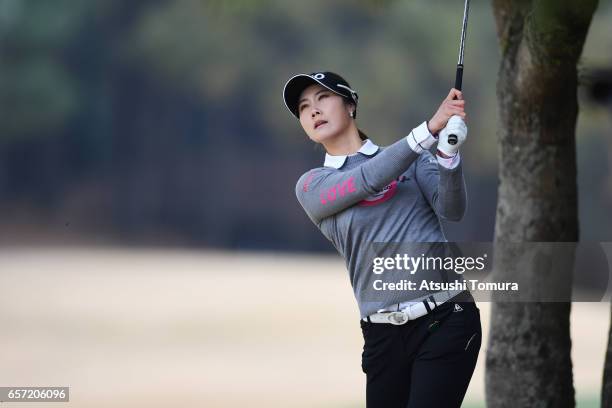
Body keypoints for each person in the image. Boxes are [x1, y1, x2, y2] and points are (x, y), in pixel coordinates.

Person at [283, 71, 481, 408]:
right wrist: (428, 130)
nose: (313, 110)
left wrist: (448, 156)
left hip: (446, 317)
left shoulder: (415, 159)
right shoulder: (313, 185)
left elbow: (452, 209)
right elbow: (366, 179)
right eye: (304, 107)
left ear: (351, 105)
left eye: (323, 98)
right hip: (382, 336)